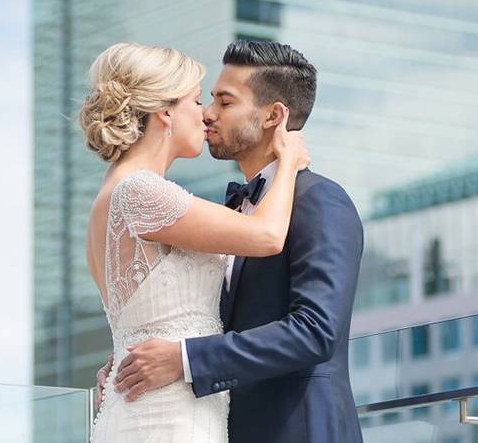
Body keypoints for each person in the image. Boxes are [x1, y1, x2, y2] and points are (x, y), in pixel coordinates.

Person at [100, 40, 365, 443]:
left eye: (225, 102)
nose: (208, 114)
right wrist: (130, 356)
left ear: (274, 116)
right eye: (207, 101)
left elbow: (316, 331)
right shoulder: (223, 215)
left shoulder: (319, 201)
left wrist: (184, 358)